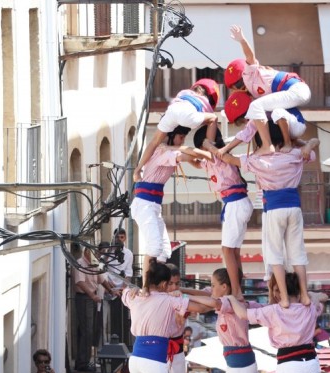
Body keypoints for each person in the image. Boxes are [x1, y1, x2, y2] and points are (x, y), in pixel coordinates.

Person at [220, 129, 319, 308]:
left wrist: (230, 144)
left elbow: (226, 158)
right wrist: (298, 142)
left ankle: (285, 298)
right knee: (297, 253)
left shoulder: (258, 160)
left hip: (274, 208)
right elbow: (313, 145)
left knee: (275, 255)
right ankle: (304, 295)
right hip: (294, 207)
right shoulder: (296, 154)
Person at [130, 127, 208, 280]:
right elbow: (190, 155)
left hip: (153, 205)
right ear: (172, 136)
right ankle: (146, 287)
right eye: (181, 137)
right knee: (154, 247)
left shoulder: (168, 150)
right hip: (145, 204)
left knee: (165, 251)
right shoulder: (163, 152)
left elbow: (196, 160)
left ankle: (156, 282)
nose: (182, 141)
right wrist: (175, 148)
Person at [225, 26, 311, 155]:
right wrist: (227, 148)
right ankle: (298, 143)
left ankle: (267, 145)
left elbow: (250, 56)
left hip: (297, 89)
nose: (234, 92)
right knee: (272, 111)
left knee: (256, 106)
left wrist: (242, 40)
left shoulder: (248, 76)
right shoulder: (258, 95)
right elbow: (249, 129)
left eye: (234, 88)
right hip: (296, 96)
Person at [192, 126, 253, 300]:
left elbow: (211, 149)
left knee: (227, 250)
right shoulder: (211, 160)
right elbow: (197, 163)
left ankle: (236, 291)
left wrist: (206, 143)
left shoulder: (217, 155)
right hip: (237, 203)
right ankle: (237, 289)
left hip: (235, 203)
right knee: (233, 251)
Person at [134, 80, 220, 184]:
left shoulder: (184, 93)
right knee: (214, 118)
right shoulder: (206, 103)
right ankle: (209, 150)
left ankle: (137, 169)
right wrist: (208, 150)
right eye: (182, 137)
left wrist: (138, 170)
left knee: (154, 141)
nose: (182, 141)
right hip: (187, 115)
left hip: (172, 111)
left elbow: (153, 144)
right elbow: (209, 122)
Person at [73, 245, 108, 371]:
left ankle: (85, 361)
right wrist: (92, 295)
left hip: (91, 299)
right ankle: (82, 363)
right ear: (87, 252)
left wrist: (112, 290)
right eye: (94, 253)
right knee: (86, 331)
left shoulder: (94, 263)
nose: (97, 256)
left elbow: (101, 279)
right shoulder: (80, 263)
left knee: (90, 330)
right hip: (84, 298)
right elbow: (80, 282)